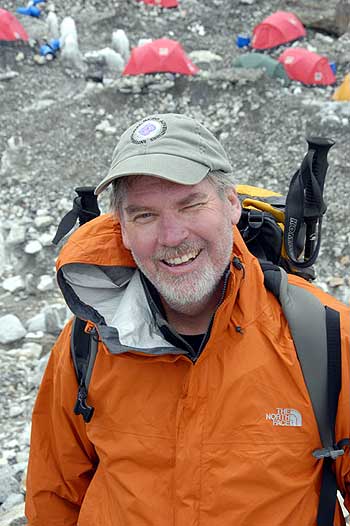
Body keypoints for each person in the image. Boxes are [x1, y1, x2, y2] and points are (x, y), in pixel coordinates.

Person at [25, 113, 350, 526]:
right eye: (144, 215)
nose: (173, 236)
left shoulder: (323, 337)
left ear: (231, 204)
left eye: (191, 204)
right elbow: (53, 497)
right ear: (120, 229)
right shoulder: (89, 342)